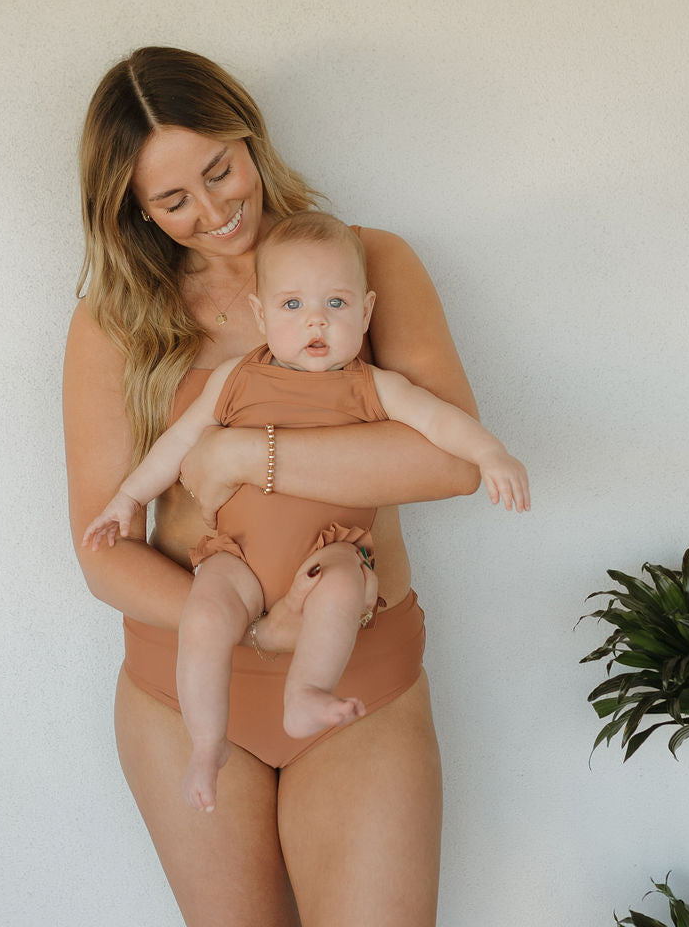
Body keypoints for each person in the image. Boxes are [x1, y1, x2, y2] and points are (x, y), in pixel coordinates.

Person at [64, 46, 485, 927]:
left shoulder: (369, 264)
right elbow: (103, 558)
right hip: (185, 688)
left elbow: (449, 461)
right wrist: (252, 628)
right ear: (133, 210)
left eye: (220, 170)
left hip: (359, 677)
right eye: (173, 200)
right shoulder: (117, 321)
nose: (215, 211)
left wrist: (243, 456)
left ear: (249, 136)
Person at [81, 211, 529, 813]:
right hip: (235, 560)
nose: (316, 319)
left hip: (328, 554)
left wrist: (492, 453)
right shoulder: (236, 380)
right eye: (292, 306)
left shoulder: (371, 385)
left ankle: (308, 692)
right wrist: (128, 498)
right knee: (208, 617)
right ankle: (207, 742)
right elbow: (177, 446)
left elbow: (444, 426)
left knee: (343, 587)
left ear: (365, 314)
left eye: (336, 305)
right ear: (261, 316)